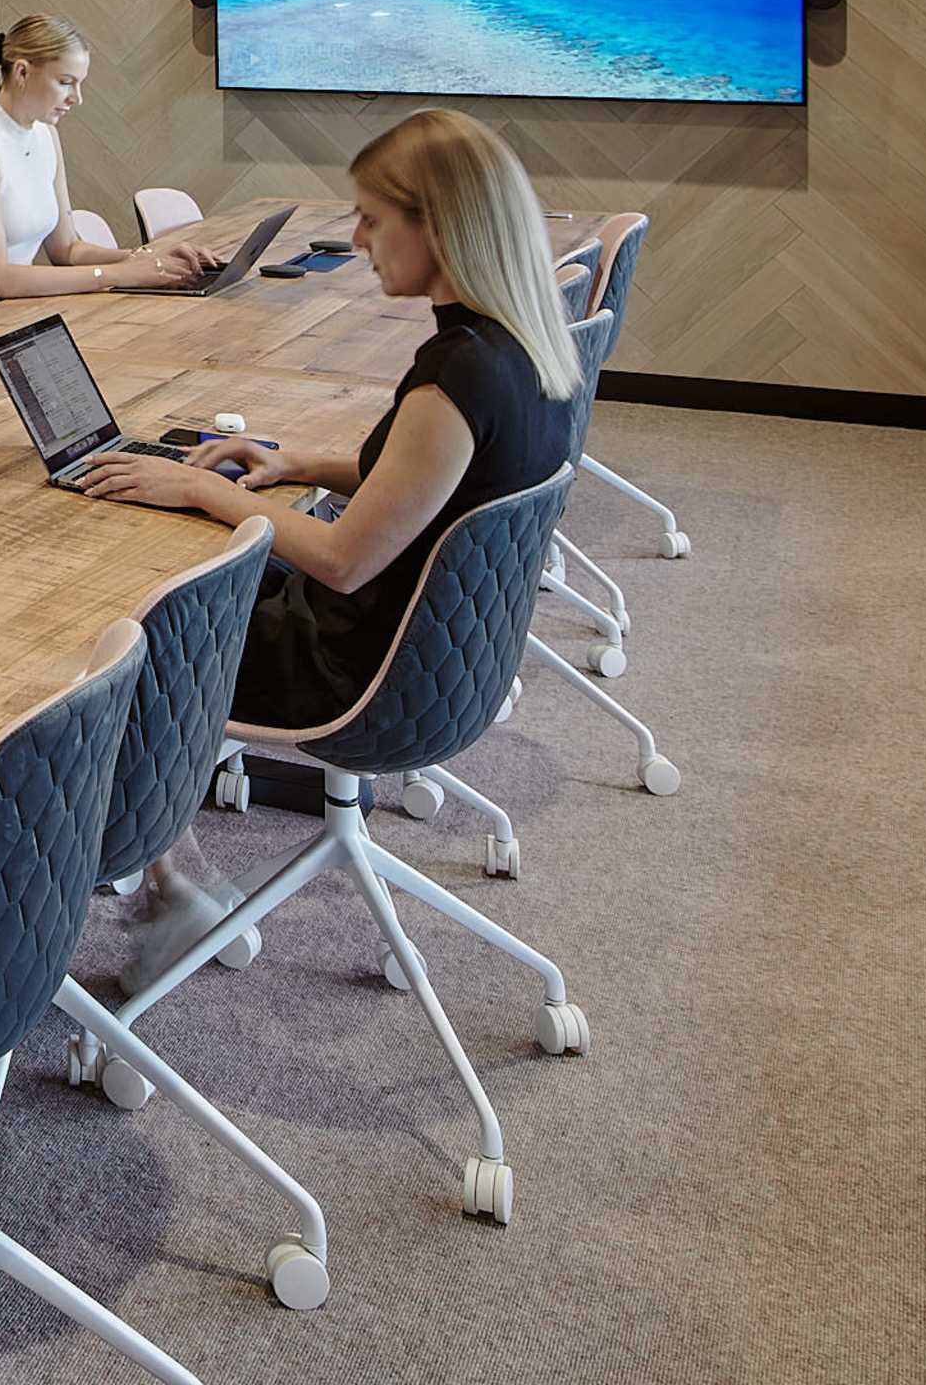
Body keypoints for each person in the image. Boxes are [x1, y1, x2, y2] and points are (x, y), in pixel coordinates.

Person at [71, 108, 583, 975]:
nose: (358, 238)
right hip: (441, 653)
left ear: (441, 227)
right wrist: (293, 462)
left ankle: (166, 883)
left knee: (122, 633)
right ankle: (154, 861)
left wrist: (204, 490)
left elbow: (348, 560)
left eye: (374, 220)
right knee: (200, 583)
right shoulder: (521, 352)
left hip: (355, 667)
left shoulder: (452, 380)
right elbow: (427, 482)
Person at [0, 13, 207, 297]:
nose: (77, 97)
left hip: (4, 311)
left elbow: (67, 249)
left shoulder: (45, 134)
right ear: (22, 72)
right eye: (65, 82)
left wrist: (149, 257)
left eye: (79, 84)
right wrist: (119, 274)